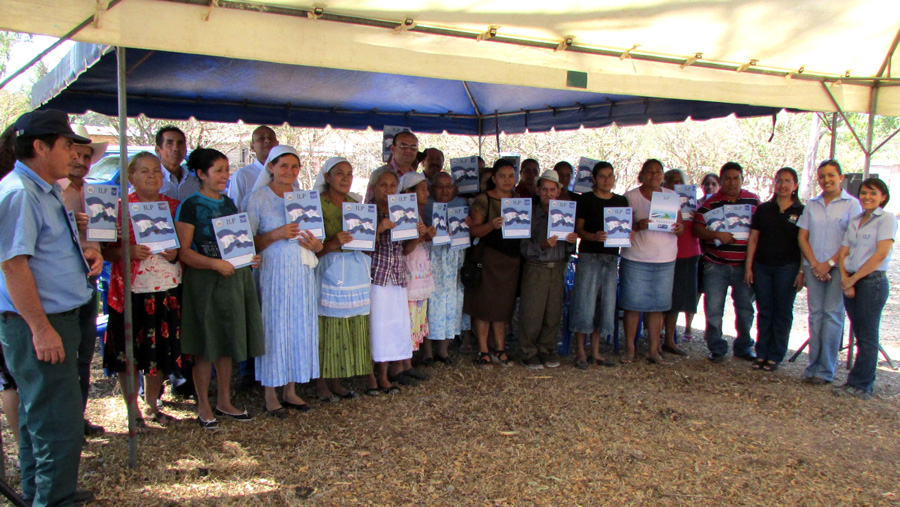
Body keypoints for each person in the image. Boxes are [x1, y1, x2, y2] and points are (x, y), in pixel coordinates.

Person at [0, 109, 103, 506]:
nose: (74, 153)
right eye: (66, 145)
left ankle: (42, 493)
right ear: (40, 147)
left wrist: (86, 252)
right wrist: (41, 328)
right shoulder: (19, 193)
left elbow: (44, 251)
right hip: (42, 323)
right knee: (55, 422)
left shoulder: (45, 189)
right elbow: (13, 264)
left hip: (66, 315)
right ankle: (52, 499)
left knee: (44, 416)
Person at [175, 148, 264, 429]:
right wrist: (215, 265)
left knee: (226, 341)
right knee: (205, 345)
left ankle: (224, 400)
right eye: (219, 171)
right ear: (201, 174)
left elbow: (236, 243)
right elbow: (184, 253)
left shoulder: (228, 204)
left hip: (231, 280)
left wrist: (248, 258)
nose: (226, 176)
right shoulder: (189, 206)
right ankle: (203, 404)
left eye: (227, 170)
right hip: (203, 283)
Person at [102, 152, 182, 427]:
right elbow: (104, 252)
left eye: (157, 172)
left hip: (167, 287)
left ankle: (152, 403)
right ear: (131, 176)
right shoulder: (118, 208)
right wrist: (128, 250)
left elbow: (186, 246)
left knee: (159, 350)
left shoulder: (174, 206)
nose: (152, 176)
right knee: (130, 352)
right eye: (145, 171)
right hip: (131, 291)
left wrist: (176, 252)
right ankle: (131, 408)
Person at [246, 145, 321, 416]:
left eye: (294, 166)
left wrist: (315, 244)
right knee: (275, 328)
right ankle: (270, 393)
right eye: (283, 166)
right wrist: (276, 234)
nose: (289, 171)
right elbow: (248, 241)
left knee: (298, 325)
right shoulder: (258, 197)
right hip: (274, 272)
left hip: (301, 273)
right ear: (271, 168)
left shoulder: (305, 199)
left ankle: (291, 390)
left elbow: (319, 243)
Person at [59, 124, 108, 437]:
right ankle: (63, 422)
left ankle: (78, 416)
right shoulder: (53, 191)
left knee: (83, 353)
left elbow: (106, 234)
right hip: (59, 281)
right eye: (74, 154)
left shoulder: (96, 192)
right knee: (61, 355)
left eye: (86, 156)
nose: (80, 161)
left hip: (89, 278)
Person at [797, 159, 861, 385]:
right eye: (822, 176)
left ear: (840, 177)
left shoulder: (852, 205)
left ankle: (826, 370)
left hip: (839, 269)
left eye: (831, 175)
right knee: (816, 316)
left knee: (833, 316)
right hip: (814, 268)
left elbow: (850, 239)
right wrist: (815, 264)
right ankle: (812, 366)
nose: (827, 180)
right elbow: (802, 237)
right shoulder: (812, 204)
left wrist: (830, 263)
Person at [314, 157, 374, 400]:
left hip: (354, 270)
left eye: (349, 173)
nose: (345, 178)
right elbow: (313, 247)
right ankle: (320, 383)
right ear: (327, 177)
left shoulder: (355, 205)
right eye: (339, 173)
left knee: (346, 325)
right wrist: (334, 242)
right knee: (326, 326)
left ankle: (337, 379)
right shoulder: (317, 205)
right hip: (328, 267)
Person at [693, 162, 760, 363]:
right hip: (716, 264)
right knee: (713, 309)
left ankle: (744, 346)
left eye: (736, 178)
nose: (732, 182)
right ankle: (716, 347)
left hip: (744, 266)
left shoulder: (753, 201)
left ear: (742, 179)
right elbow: (696, 229)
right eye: (727, 178)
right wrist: (716, 234)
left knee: (745, 309)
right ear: (721, 180)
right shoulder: (709, 203)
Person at [835, 178, 896, 399]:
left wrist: (855, 279)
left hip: (872, 282)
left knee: (868, 336)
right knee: (859, 333)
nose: (867, 197)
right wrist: (845, 277)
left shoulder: (886, 219)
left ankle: (863, 384)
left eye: (872, 193)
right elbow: (844, 251)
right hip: (851, 279)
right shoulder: (857, 220)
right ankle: (855, 380)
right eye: (863, 193)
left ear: (883, 197)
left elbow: (880, 254)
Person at [620, 159, 683, 364]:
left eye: (658, 172)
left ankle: (653, 350)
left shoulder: (671, 196)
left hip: (665, 259)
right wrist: (638, 225)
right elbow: (620, 227)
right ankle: (630, 348)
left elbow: (680, 224)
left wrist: (678, 228)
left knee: (658, 306)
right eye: (649, 172)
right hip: (636, 258)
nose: (654, 175)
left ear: (662, 175)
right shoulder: (630, 197)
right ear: (642, 174)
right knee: (633, 305)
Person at [744, 167, 805, 371]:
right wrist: (749, 266)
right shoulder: (764, 209)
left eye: (788, 181)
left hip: (787, 268)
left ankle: (775, 355)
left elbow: (805, 242)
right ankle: (761, 353)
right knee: (764, 311)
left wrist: (801, 271)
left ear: (795, 185)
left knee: (782, 312)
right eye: (779, 180)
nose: (783, 185)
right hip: (762, 267)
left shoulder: (801, 211)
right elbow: (753, 239)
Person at [464, 159, 520, 368]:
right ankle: (483, 350)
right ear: (494, 178)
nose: (507, 180)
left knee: (503, 308)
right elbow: (474, 230)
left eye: (511, 176)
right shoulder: (484, 199)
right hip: (488, 259)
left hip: (511, 260)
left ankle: (500, 348)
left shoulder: (518, 200)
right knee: (484, 306)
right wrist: (491, 225)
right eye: (503, 176)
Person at [518, 170, 577, 369]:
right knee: (532, 312)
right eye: (544, 189)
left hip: (557, 267)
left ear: (559, 191)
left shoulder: (566, 214)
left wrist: (571, 241)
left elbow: (570, 249)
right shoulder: (529, 213)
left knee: (553, 312)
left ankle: (546, 349)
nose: (548, 193)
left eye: (552, 189)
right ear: (537, 190)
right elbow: (523, 247)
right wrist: (541, 246)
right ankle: (528, 351)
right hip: (536, 267)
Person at [570, 161, 625, 369]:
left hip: (611, 258)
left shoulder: (621, 200)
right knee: (585, 303)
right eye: (602, 176)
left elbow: (625, 226)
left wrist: (627, 234)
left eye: (610, 176)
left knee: (605, 305)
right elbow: (579, 230)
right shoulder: (586, 200)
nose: (606, 180)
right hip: (589, 256)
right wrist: (593, 236)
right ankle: (581, 352)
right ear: (594, 178)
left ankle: (595, 351)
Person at [368, 169, 415, 391]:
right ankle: (370, 376)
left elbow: (405, 250)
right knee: (374, 325)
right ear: (373, 187)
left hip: (396, 276)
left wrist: (418, 235)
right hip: (374, 276)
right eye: (383, 185)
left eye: (392, 186)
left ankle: (385, 374)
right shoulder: (366, 211)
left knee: (391, 326)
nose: (388, 190)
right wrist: (377, 229)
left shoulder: (402, 211)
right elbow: (358, 246)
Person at [422, 172, 466, 364]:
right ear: (432, 188)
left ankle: (444, 350)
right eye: (440, 186)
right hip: (432, 255)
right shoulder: (425, 206)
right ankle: (428, 352)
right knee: (430, 300)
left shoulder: (462, 204)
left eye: (449, 186)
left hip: (454, 256)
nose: (445, 190)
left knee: (452, 299)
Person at [398, 172, 436, 377]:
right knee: (409, 319)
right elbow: (405, 248)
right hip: (410, 274)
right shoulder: (404, 214)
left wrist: (427, 236)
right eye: (423, 189)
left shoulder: (417, 214)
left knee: (416, 317)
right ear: (409, 192)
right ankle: (404, 364)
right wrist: (421, 236)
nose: (427, 193)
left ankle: (409, 362)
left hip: (420, 275)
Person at [660, 169, 696, 357]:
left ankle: (670, 340)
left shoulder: (692, 202)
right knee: (660, 300)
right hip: (663, 253)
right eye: (671, 181)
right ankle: (655, 337)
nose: (675, 184)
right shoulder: (661, 200)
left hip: (687, 252)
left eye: (679, 181)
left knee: (676, 300)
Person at [228, 125, 278, 212]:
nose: (267, 141)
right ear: (252, 147)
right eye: (261, 139)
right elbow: (235, 210)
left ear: (277, 144)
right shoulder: (242, 176)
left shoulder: (287, 174)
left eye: (271, 138)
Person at [365, 130, 419, 202]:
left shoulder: (417, 177)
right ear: (393, 149)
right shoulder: (380, 174)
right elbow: (368, 205)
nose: (408, 150)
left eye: (413, 147)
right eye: (404, 146)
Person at [156, 126, 199, 202]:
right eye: (169, 143)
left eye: (180, 143)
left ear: (185, 150)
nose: (176, 148)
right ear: (158, 150)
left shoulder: (195, 183)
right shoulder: (148, 181)